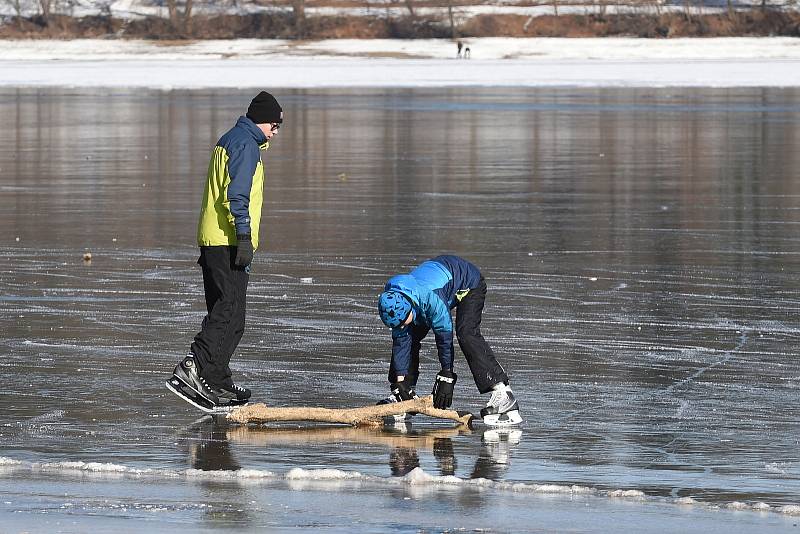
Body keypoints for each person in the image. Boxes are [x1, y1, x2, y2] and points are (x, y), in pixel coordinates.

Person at [166, 91, 283, 413]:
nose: (275, 131)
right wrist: (243, 235)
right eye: (275, 124)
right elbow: (237, 194)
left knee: (234, 315)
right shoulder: (245, 145)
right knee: (227, 310)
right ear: (263, 120)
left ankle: (215, 377)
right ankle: (194, 365)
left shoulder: (232, 139)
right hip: (226, 239)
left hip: (217, 238)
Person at [376, 255, 522, 426]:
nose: (401, 327)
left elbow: (444, 339)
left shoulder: (433, 301)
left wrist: (447, 374)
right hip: (434, 276)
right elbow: (401, 341)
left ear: (410, 307)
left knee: (466, 333)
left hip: (468, 282)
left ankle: (503, 394)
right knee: (408, 335)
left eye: (402, 322)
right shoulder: (393, 298)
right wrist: (400, 384)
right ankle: (404, 397)